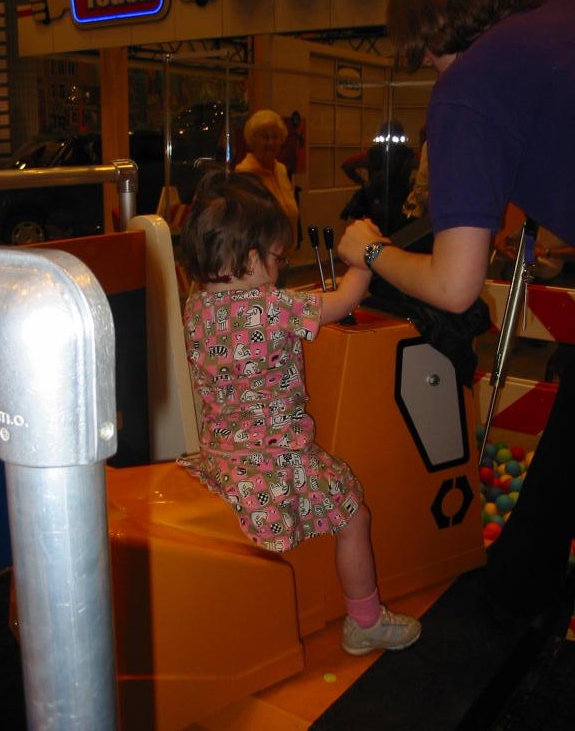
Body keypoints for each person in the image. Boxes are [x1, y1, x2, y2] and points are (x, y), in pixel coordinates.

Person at [338, 0, 575, 626]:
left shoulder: (471, 82)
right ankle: (518, 590)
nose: (425, 62)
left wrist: (371, 250)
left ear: (436, 20)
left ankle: (514, 596)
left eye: (422, 47)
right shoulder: (558, 23)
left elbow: (453, 286)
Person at [179, 170, 421, 656]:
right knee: (354, 514)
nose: (280, 268)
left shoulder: (196, 308)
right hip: (280, 461)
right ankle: (365, 622)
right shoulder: (273, 307)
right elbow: (345, 300)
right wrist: (365, 259)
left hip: (220, 458)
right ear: (251, 259)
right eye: (277, 258)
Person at [235, 109, 299, 252]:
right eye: (265, 137)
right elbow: (245, 224)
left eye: (275, 137)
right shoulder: (244, 173)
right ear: (253, 141)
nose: (271, 142)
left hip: (285, 252)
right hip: (260, 254)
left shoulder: (281, 170)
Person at [340, 119, 415, 236]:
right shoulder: (409, 155)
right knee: (398, 239)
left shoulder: (372, 154)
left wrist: (363, 183)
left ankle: (376, 249)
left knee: (375, 238)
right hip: (399, 205)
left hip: (376, 204)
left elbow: (347, 165)